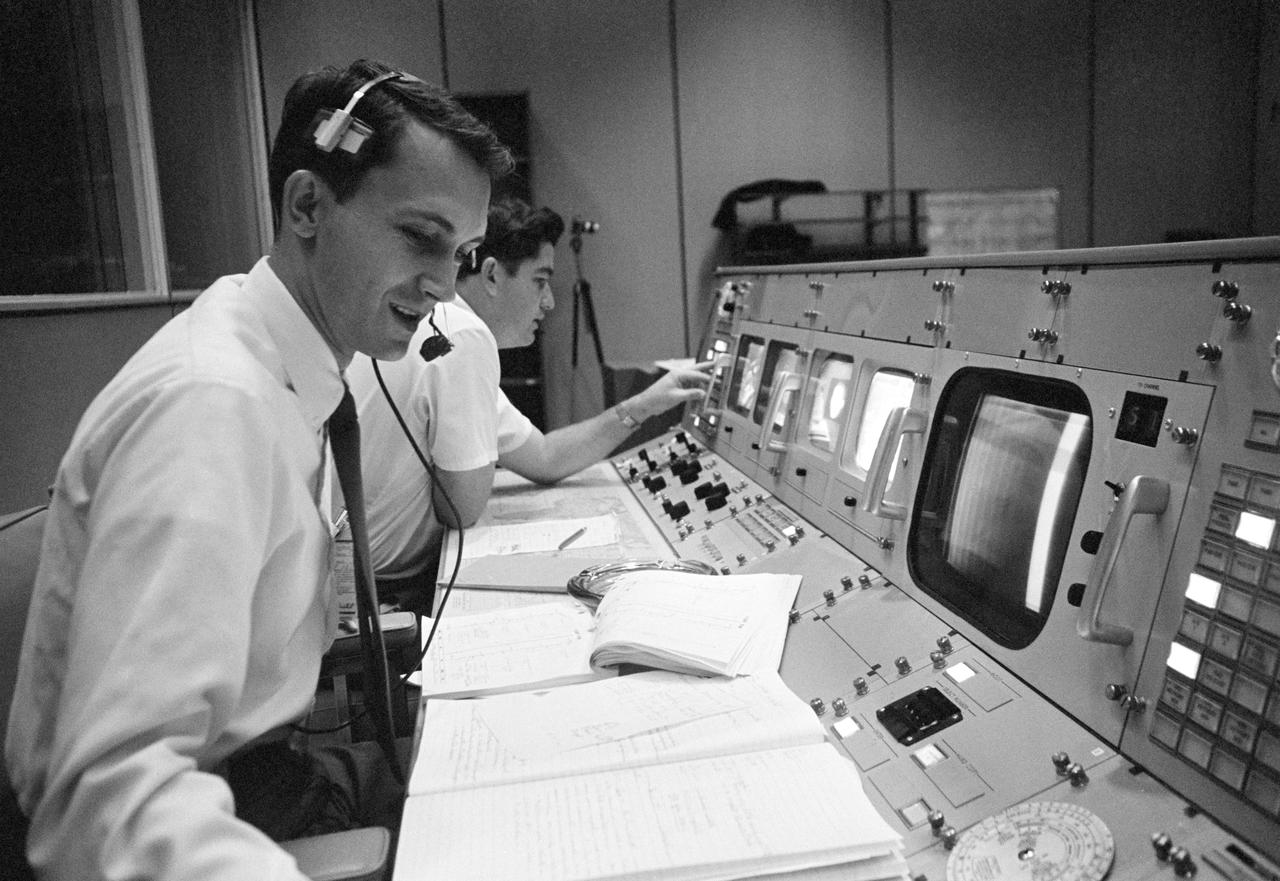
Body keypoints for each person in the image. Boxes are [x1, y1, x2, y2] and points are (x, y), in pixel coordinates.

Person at [3, 59, 511, 879]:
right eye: (423, 237)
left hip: (263, 775)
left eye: (465, 251)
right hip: (214, 817)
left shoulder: (278, 363)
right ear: (307, 204)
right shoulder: (215, 406)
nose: (445, 285)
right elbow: (111, 806)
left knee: (507, 768)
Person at [348, 197, 710, 588]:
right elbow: (461, 510)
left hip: (358, 574)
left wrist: (644, 405)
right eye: (540, 280)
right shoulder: (463, 336)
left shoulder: (442, 323)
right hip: (383, 590)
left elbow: (543, 456)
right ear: (490, 275)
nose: (550, 302)